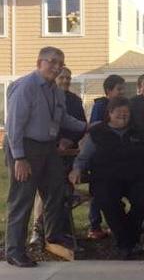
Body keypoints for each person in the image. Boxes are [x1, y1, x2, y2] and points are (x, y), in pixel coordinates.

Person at [4, 47, 87, 267]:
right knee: (22, 198)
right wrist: (19, 158)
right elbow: (13, 126)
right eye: (52, 62)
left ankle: (53, 235)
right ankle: (14, 251)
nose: (57, 67)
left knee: (56, 189)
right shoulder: (26, 87)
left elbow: (62, 118)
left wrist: (86, 126)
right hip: (25, 147)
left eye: (60, 63)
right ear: (39, 62)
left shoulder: (55, 90)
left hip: (48, 147)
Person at [69, 97, 144, 259]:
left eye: (126, 113)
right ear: (109, 113)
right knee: (108, 201)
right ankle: (128, 243)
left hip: (137, 176)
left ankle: (126, 241)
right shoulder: (97, 132)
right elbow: (84, 157)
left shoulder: (138, 131)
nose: (123, 116)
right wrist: (77, 169)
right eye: (119, 112)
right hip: (107, 178)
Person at [30, 67, 87, 245]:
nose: (65, 81)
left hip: (68, 153)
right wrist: (54, 143)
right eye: (62, 77)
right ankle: (37, 230)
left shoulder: (75, 101)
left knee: (64, 192)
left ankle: (62, 229)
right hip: (47, 149)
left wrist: (69, 140)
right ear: (55, 78)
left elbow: (80, 125)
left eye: (68, 78)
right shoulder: (45, 97)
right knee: (43, 192)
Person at [87, 74, 125, 240]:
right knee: (98, 192)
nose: (122, 92)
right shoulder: (100, 105)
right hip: (99, 156)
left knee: (115, 190)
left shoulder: (124, 106)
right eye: (119, 89)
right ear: (109, 91)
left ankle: (114, 223)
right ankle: (94, 225)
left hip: (116, 156)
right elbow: (94, 126)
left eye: (123, 89)